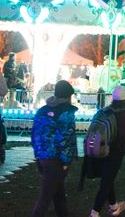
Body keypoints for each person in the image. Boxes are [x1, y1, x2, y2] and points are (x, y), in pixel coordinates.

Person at [86, 86, 125, 217]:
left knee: (108, 178)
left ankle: (114, 206)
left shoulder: (104, 111)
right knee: (106, 182)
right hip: (115, 152)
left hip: (99, 149)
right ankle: (94, 213)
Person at [31, 80, 77, 217]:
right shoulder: (66, 114)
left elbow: (35, 135)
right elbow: (65, 139)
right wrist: (66, 162)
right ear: (68, 96)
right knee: (45, 198)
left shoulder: (42, 111)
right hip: (56, 159)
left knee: (58, 193)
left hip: (42, 157)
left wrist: (38, 154)